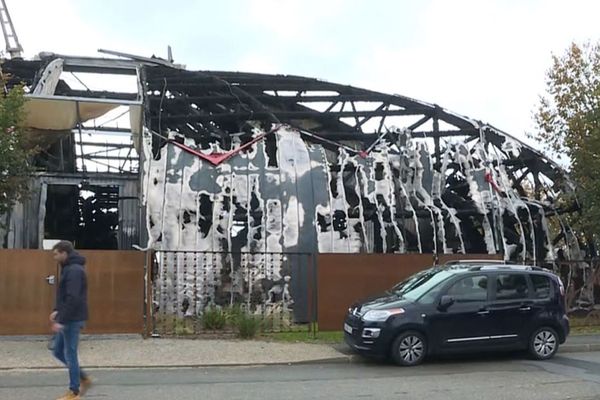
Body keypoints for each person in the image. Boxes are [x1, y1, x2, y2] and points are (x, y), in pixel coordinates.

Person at [49, 241, 92, 400]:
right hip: (68, 317)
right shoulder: (69, 268)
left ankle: (74, 392)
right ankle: (84, 378)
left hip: (72, 319)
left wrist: (62, 320)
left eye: (56, 254)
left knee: (70, 353)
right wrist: (56, 310)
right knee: (58, 351)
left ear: (64, 253)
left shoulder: (74, 270)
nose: (54, 257)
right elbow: (64, 295)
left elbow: (73, 298)